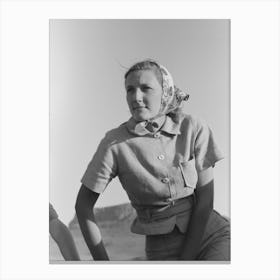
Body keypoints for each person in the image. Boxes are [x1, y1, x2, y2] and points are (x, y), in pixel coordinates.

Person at [75, 60, 230, 261]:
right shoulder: (114, 143)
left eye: (145, 88)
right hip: (161, 252)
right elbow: (83, 206)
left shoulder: (193, 127)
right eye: (130, 90)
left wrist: (187, 264)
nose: (136, 97)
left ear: (165, 91)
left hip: (211, 237)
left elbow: (205, 201)